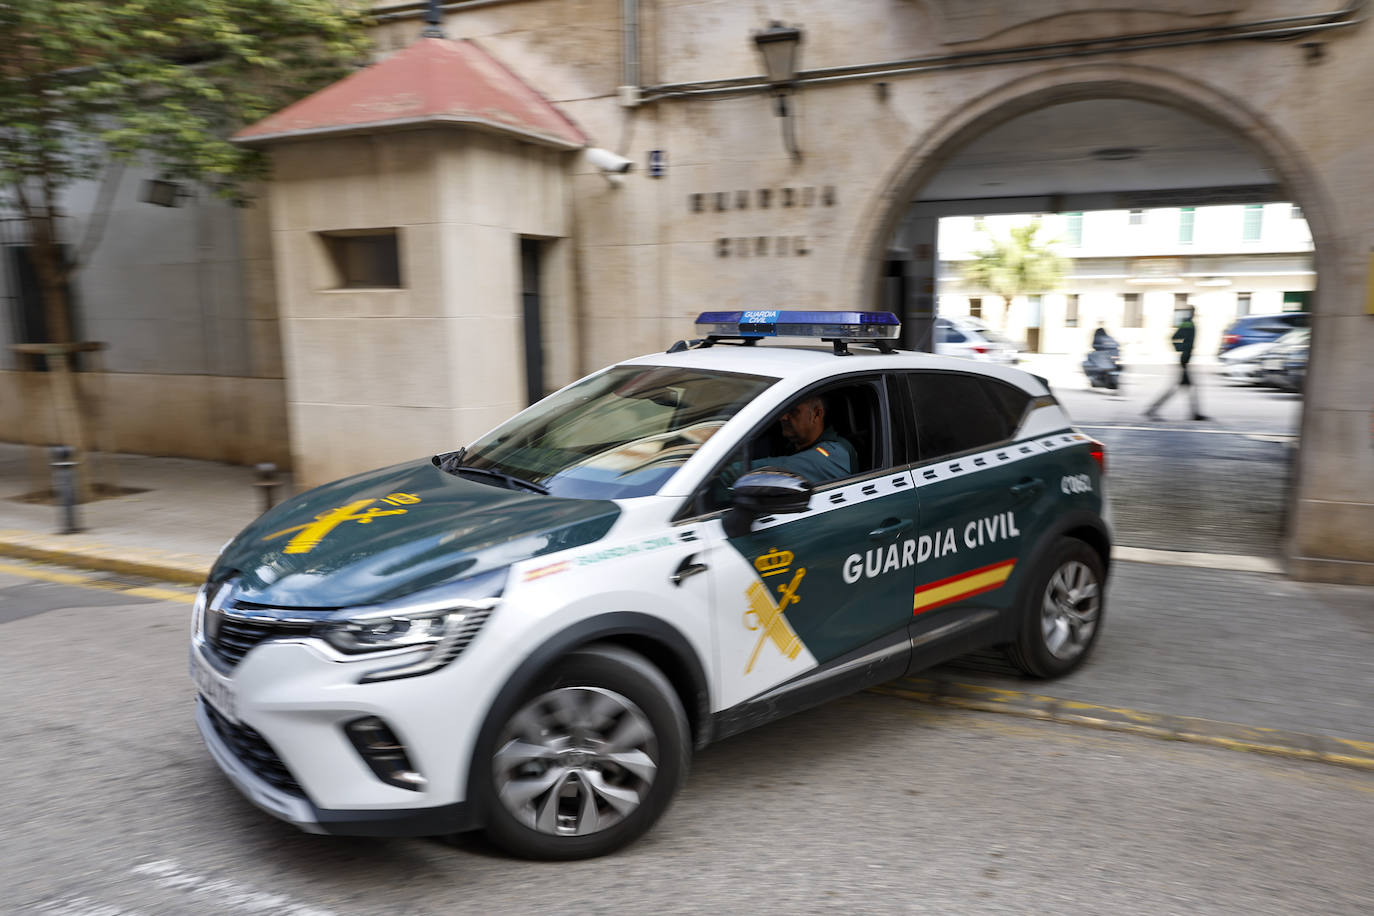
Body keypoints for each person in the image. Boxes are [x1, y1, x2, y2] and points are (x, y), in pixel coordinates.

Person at [719, 395, 857, 492]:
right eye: (783, 410)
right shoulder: (787, 445)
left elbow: (783, 467)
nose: (783, 417)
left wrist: (725, 473)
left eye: (793, 411)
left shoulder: (833, 453)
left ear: (816, 414)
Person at [1145, 305, 1209, 421]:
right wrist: (1182, 348)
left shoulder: (1189, 323)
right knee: (1183, 388)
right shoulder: (1187, 324)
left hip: (1186, 358)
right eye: (1192, 311)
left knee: (1184, 387)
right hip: (1184, 359)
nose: (1193, 313)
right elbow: (1173, 338)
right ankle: (1152, 410)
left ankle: (1153, 409)